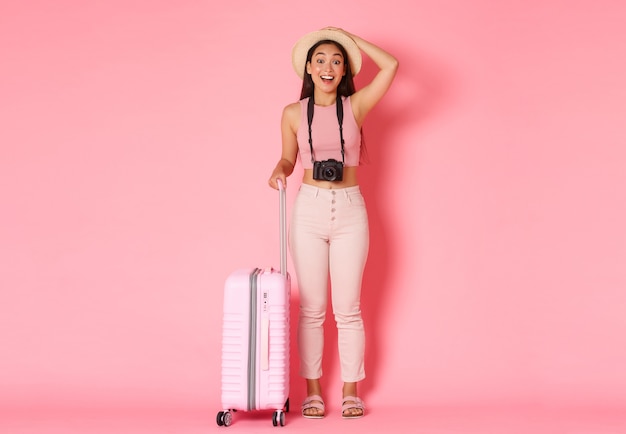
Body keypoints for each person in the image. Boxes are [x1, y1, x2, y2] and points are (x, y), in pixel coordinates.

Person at [268, 27, 398, 419]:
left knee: (349, 309)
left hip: (349, 209)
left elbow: (391, 66)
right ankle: (312, 392)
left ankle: (351, 391)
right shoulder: (292, 113)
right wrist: (279, 169)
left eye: (337, 61)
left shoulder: (355, 107)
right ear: (308, 68)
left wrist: (352, 41)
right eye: (321, 59)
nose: (328, 66)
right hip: (308, 209)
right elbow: (289, 159)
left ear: (344, 72)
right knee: (312, 308)